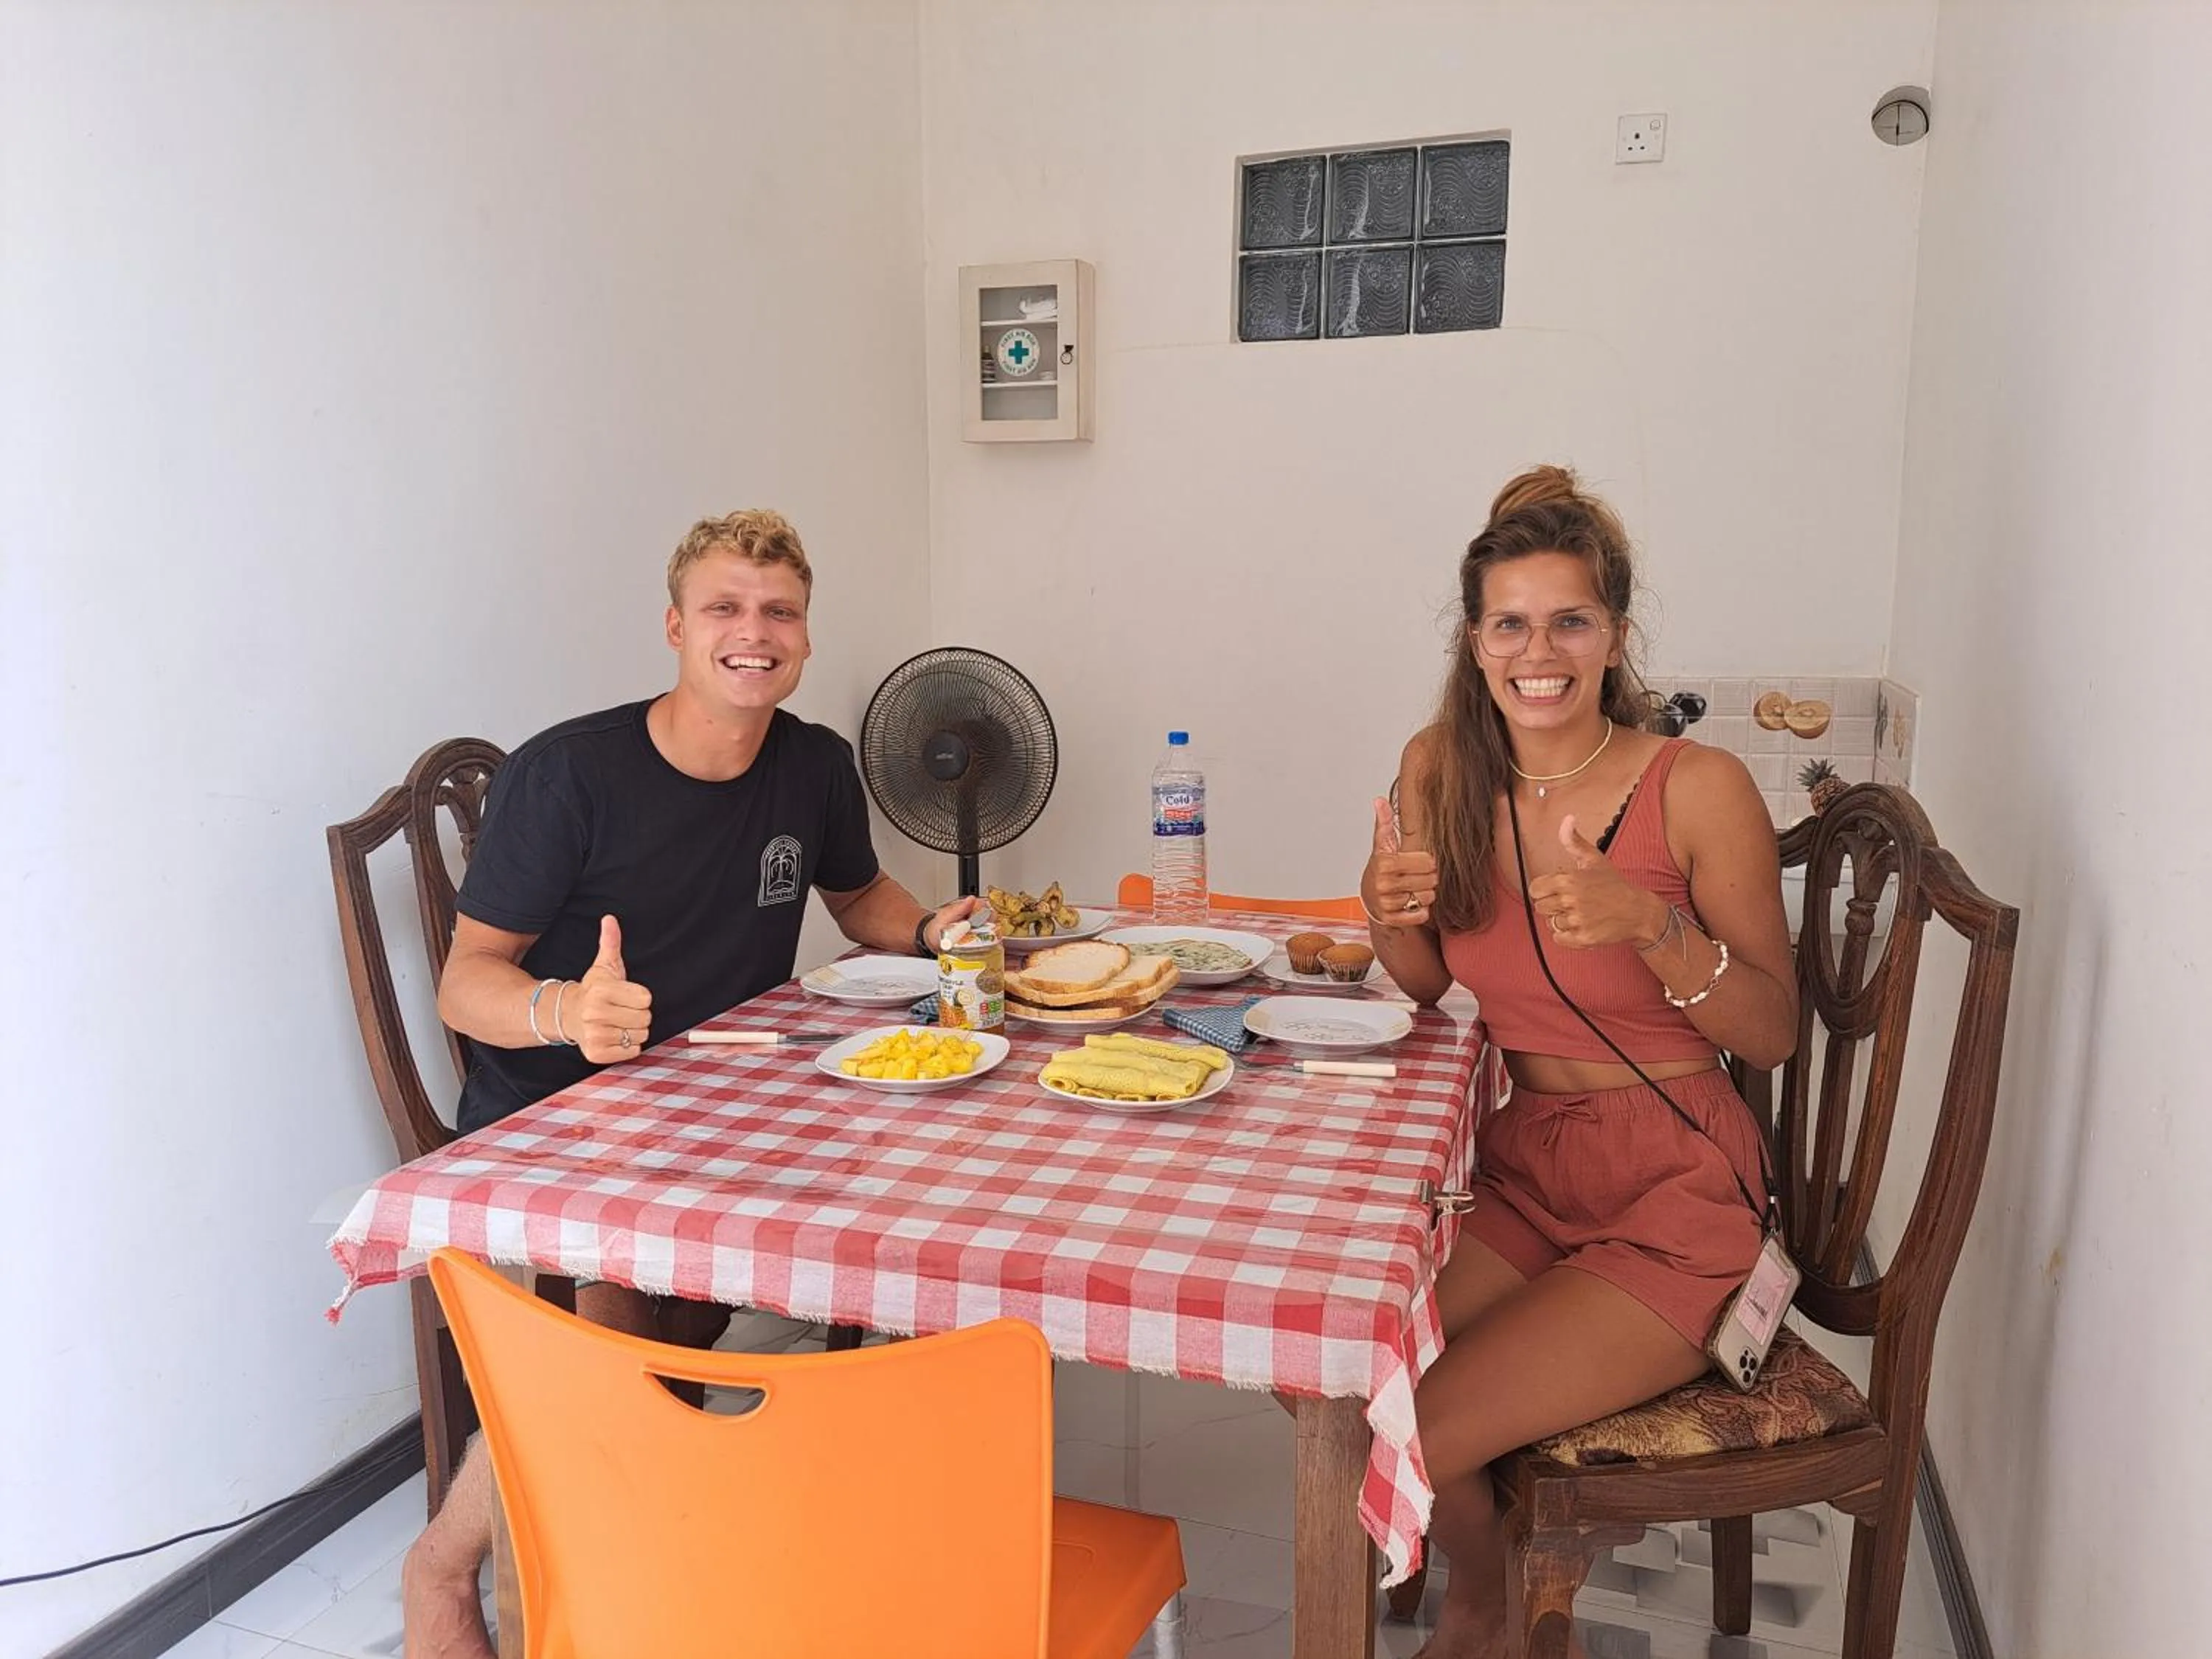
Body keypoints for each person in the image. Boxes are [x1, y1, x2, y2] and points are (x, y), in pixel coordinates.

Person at [403, 509, 977, 1659]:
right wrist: (565, 1010)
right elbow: (466, 981)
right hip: (554, 1114)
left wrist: (933, 928)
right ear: (675, 626)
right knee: (618, 1315)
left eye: (778, 612)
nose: (751, 632)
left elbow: (857, 899)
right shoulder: (567, 774)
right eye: (724, 607)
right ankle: (485, 1572)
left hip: (731, 1098)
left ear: (805, 636)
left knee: (907, 1190)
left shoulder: (813, 763)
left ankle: (669, 1521)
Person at [1360, 467, 1798, 1659]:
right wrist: (1381, 902)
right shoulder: (1439, 767)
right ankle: (1508, 1578)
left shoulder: (1695, 788)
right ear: (1475, 638)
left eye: (1570, 620)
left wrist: (1653, 929)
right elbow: (1420, 981)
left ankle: (1489, 1605)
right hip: (1526, 1166)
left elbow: (1772, 1030)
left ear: (1613, 635)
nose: (1537, 649)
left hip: (1676, 1187)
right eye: (1511, 622)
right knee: (1358, 1394)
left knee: (1427, 1421)